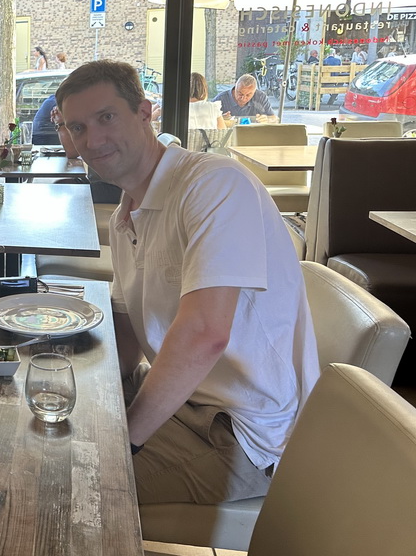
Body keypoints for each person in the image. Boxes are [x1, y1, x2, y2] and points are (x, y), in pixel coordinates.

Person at [56, 60, 319, 506]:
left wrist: (124, 441)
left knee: (69, 493)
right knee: (42, 439)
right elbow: (125, 327)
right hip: (181, 400)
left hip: (239, 430)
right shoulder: (130, 211)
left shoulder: (214, 184)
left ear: (145, 112)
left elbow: (205, 333)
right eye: (77, 127)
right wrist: (89, 393)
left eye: (106, 118)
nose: (91, 140)